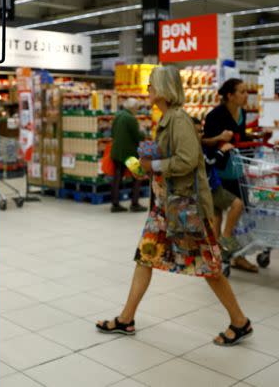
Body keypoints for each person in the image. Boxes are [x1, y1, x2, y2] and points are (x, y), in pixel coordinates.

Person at [96, 66, 252, 347]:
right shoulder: (167, 118)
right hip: (165, 208)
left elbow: (188, 160)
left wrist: (153, 164)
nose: (147, 90)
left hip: (185, 207)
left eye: (152, 85)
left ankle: (240, 321)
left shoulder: (178, 120)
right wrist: (148, 164)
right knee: (145, 257)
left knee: (209, 267)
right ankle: (126, 318)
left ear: (164, 89)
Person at [203, 78, 263, 272]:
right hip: (218, 172)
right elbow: (204, 141)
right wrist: (220, 138)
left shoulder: (242, 113)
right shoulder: (215, 115)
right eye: (242, 92)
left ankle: (235, 256)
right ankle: (217, 256)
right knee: (218, 214)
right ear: (230, 95)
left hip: (236, 169)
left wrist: (257, 137)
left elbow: (240, 136)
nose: (247, 95)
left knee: (240, 211)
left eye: (247, 91)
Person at [194, 117, 258, 273]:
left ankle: (217, 257)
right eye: (196, 131)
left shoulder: (200, 145)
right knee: (238, 204)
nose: (200, 134)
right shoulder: (195, 149)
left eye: (201, 131)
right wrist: (221, 151)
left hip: (212, 187)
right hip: (208, 189)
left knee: (216, 217)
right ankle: (227, 236)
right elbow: (209, 162)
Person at [110, 98, 147, 213]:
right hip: (129, 154)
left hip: (116, 152)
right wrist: (142, 130)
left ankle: (115, 204)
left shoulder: (118, 115)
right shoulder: (131, 119)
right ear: (132, 107)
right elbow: (139, 137)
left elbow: (112, 133)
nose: (137, 110)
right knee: (138, 175)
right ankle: (134, 203)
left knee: (117, 178)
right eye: (137, 108)